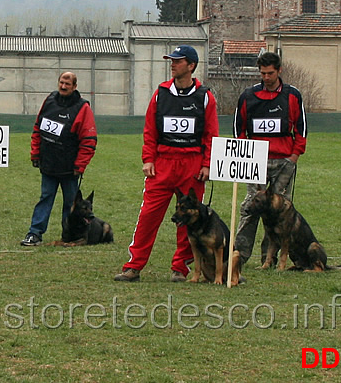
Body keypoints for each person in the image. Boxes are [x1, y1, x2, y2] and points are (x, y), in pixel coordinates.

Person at [114, 45, 219, 282]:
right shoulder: (161, 93)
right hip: (162, 163)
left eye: (178, 60)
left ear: (191, 65)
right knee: (148, 216)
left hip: (192, 165)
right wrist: (148, 159)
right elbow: (150, 129)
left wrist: (206, 164)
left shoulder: (205, 97)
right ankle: (134, 266)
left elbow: (211, 134)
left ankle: (179, 268)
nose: (172, 64)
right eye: (171, 60)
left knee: (188, 219)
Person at [233, 51, 307, 268]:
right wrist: (244, 154)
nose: (266, 77)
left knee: (278, 211)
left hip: (284, 160)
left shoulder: (293, 95)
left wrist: (294, 156)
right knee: (250, 208)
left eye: (270, 73)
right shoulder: (248, 95)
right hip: (255, 159)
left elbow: (301, 128)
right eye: (263, 73)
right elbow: (239, 128)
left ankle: (269, 258)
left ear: (279, 71)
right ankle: (239, 255)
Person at [20, 71, 97, 246]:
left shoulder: (82, 108)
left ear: (75, 87)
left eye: (67, 84)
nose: (63, 86)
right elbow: (38, 128)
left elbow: (89, 140)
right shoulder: (49, 101)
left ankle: (68, 236)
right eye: (61, 82)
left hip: (70, 168)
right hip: (48, 164)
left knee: (70, 204)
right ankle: (35, 234)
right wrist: (35, 153)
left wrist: (80, 165)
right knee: (45, 198)